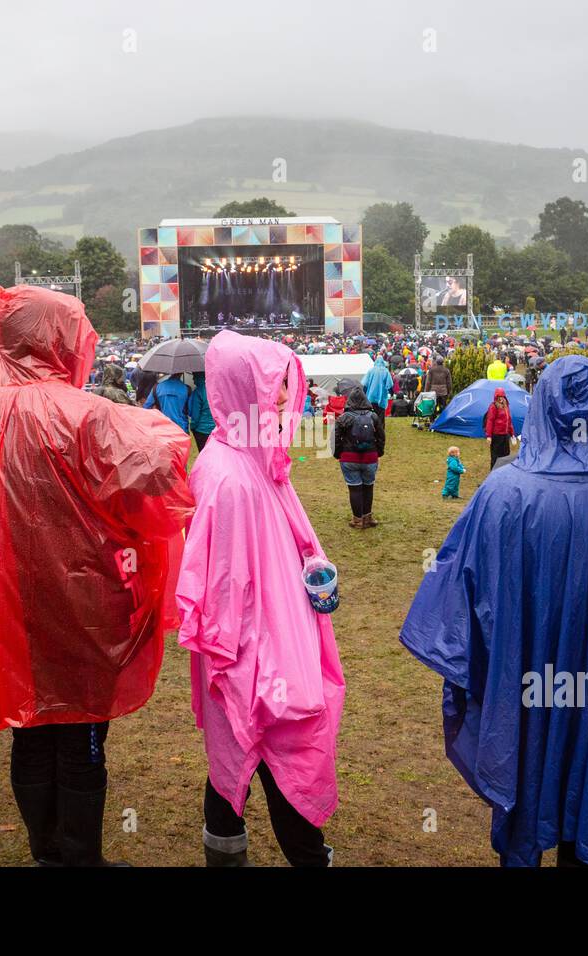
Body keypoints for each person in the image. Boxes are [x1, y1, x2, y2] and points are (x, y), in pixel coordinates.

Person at [0, 285, 193, 866]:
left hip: (5, 605)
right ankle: (79, 857)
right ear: (60, 338)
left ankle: (47, 852)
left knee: (29, 723)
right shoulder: (89, 416)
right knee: (82, 730)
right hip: (81, 602)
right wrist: (165, 434)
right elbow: (154, 485)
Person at [400, 355, 588, 866]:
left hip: (529, 684)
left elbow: (460, 599)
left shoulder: (504, 493)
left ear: (539, 405)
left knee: (535, 770)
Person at [175, 330, 345, 867]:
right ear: (238, 388)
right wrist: (257, 670)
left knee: (245, 754)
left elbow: (279, 544)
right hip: (256, 652)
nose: (276, 399)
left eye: (280, 388)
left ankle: (226, 848)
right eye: (267, 386)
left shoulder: (256, 460)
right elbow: (222, 591)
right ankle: (307, 855)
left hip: (276, 634)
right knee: (277, 745)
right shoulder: (229, 479)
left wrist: (311, 567)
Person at [332, 385, 385, 529]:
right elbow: (381, 436)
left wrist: (338, 454)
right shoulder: (373, 416)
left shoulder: (343, 418)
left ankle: (357, 520)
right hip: (370, 457)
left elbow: (335, 438)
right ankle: (367, 518)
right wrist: (378, 452)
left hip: (349, 458)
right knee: (368, 487)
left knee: (354, 489)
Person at [483, 391, 513, 469]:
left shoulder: (506, 406)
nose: (500, 399)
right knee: (496, 456)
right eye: (498, 397)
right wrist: (489, 436)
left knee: (506, 454)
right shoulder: (493, 406)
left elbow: (509, 420)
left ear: (504, 397)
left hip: (505, 435)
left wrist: (512, 433)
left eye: (502, 397)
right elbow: (490, 421)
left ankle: (503, 471)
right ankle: (493, 472)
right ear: (496, 398)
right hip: (496, 435)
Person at [187, 369, 216, 450]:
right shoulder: (214, 388)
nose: (193, 379)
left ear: (198, 377)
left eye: (194, 377)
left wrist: (192, 426)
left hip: (201, 430)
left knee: (204, 454)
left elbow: (195, 415)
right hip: (215, 428)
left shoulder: (198, 391)